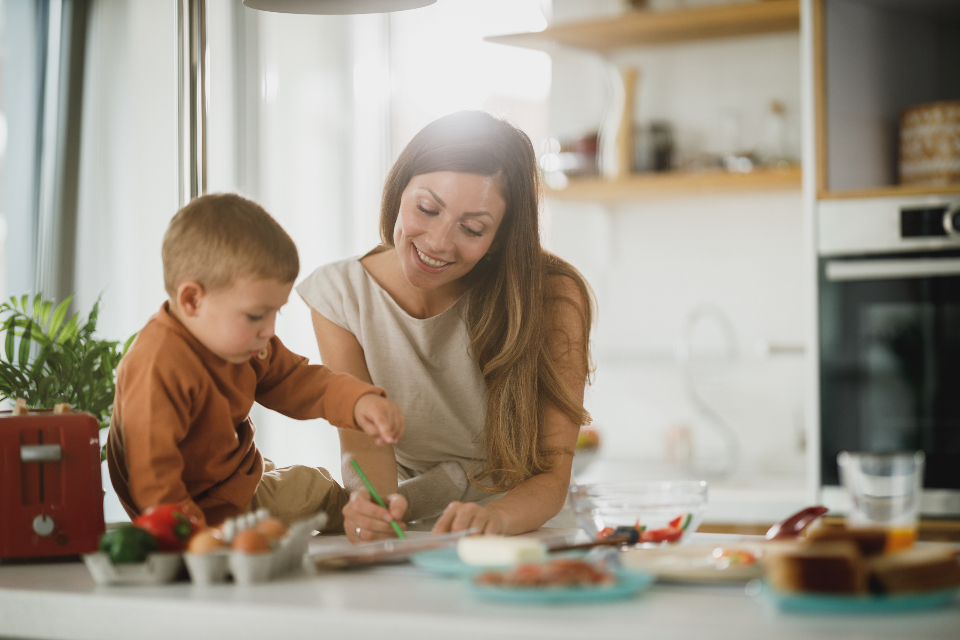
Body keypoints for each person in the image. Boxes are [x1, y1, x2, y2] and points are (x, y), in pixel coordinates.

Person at [297, 111, 593, 542]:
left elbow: (552, 473)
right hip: (414, 522)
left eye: (472, 228)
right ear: (399, 189)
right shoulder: (339, 295)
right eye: (427, 208)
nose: (437, 243)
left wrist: (498, 520)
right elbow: (365, 444)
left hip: (526, 528)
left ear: (501, 236)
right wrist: (375, 509)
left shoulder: (551, 297)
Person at [107, 193, 404, 530]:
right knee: (313, 488)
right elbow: (154, 477)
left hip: (227, 478)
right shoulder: (157, 366)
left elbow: (298, 381)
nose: (270, 330)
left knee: (276, 473)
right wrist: (196, 544)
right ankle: (369, 522)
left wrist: (358, 401)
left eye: (276, 312)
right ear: (192, 300)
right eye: (256, 315)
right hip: (209, 510)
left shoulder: (241, 344)